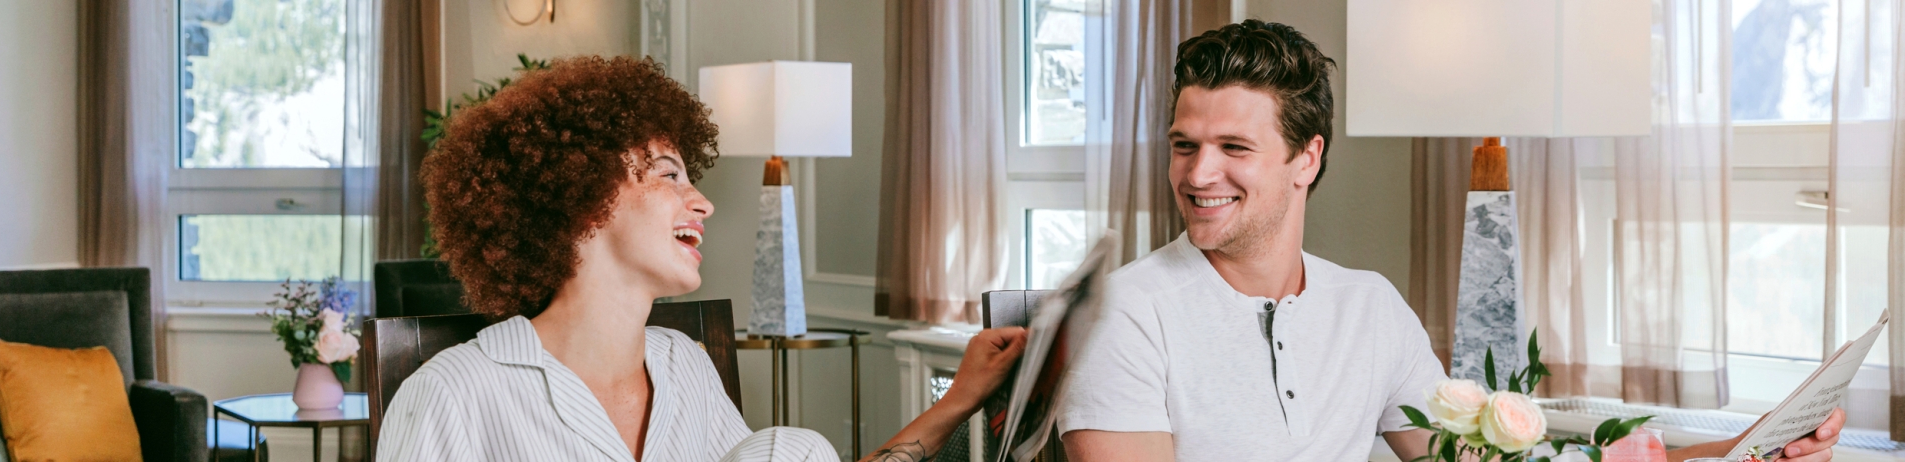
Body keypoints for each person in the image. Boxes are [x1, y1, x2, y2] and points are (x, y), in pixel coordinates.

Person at [1054, 20, 1845, 462]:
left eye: (1234, 147)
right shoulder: (1125, 312)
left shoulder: (1367, 306)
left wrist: (1745, 450)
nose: (1199, 173)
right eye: (1184, 144)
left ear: (1308, 157)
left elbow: (1469, 461)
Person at [377, 55, 1026, 462]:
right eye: (668, 175)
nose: (704, 203)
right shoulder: (453, 394)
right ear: (578, 197)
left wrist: (961, 397)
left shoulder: (682, 368)